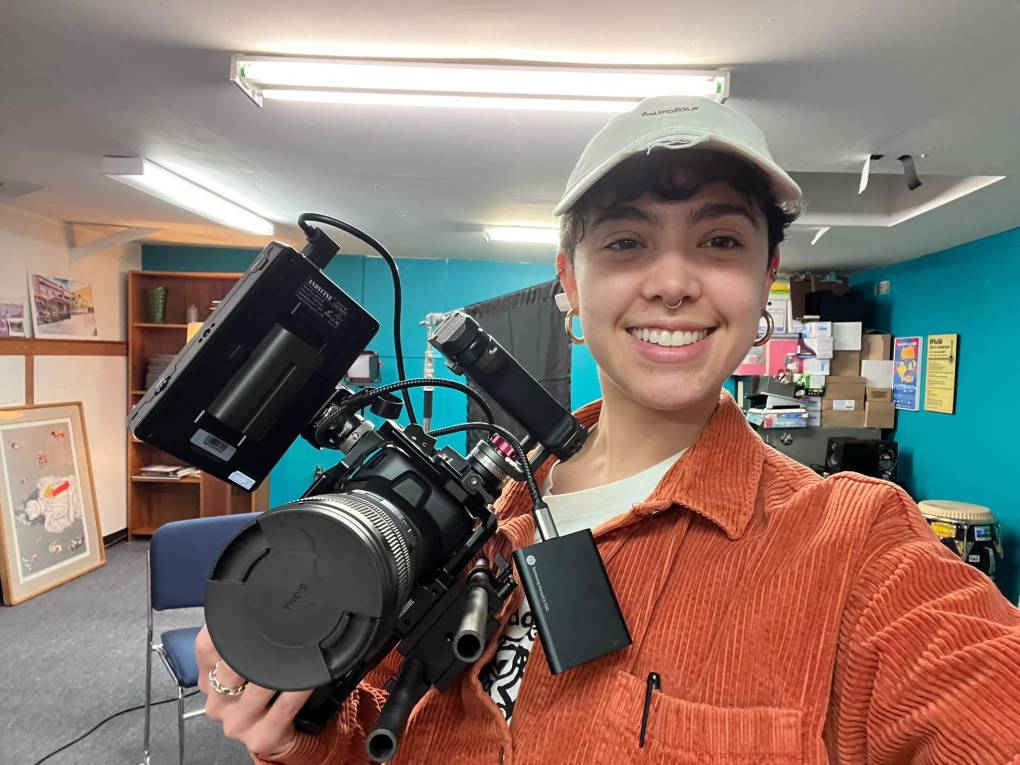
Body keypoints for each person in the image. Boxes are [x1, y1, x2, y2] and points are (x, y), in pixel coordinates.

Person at [195, 95, 1020, 764]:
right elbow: (367, 731)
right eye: (627, 241)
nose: (671, 281)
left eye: (720, 239)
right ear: (570, 284)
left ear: (767, 280)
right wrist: (293, 733)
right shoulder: (458, 525)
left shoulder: (856, 547)